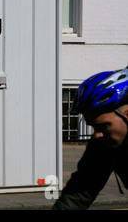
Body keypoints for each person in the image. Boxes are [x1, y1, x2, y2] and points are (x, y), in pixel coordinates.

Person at [53, 66, 128, 210]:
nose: (97, 134)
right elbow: (79, 192)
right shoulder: (102, 144)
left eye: (104, 125)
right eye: (93, 126)